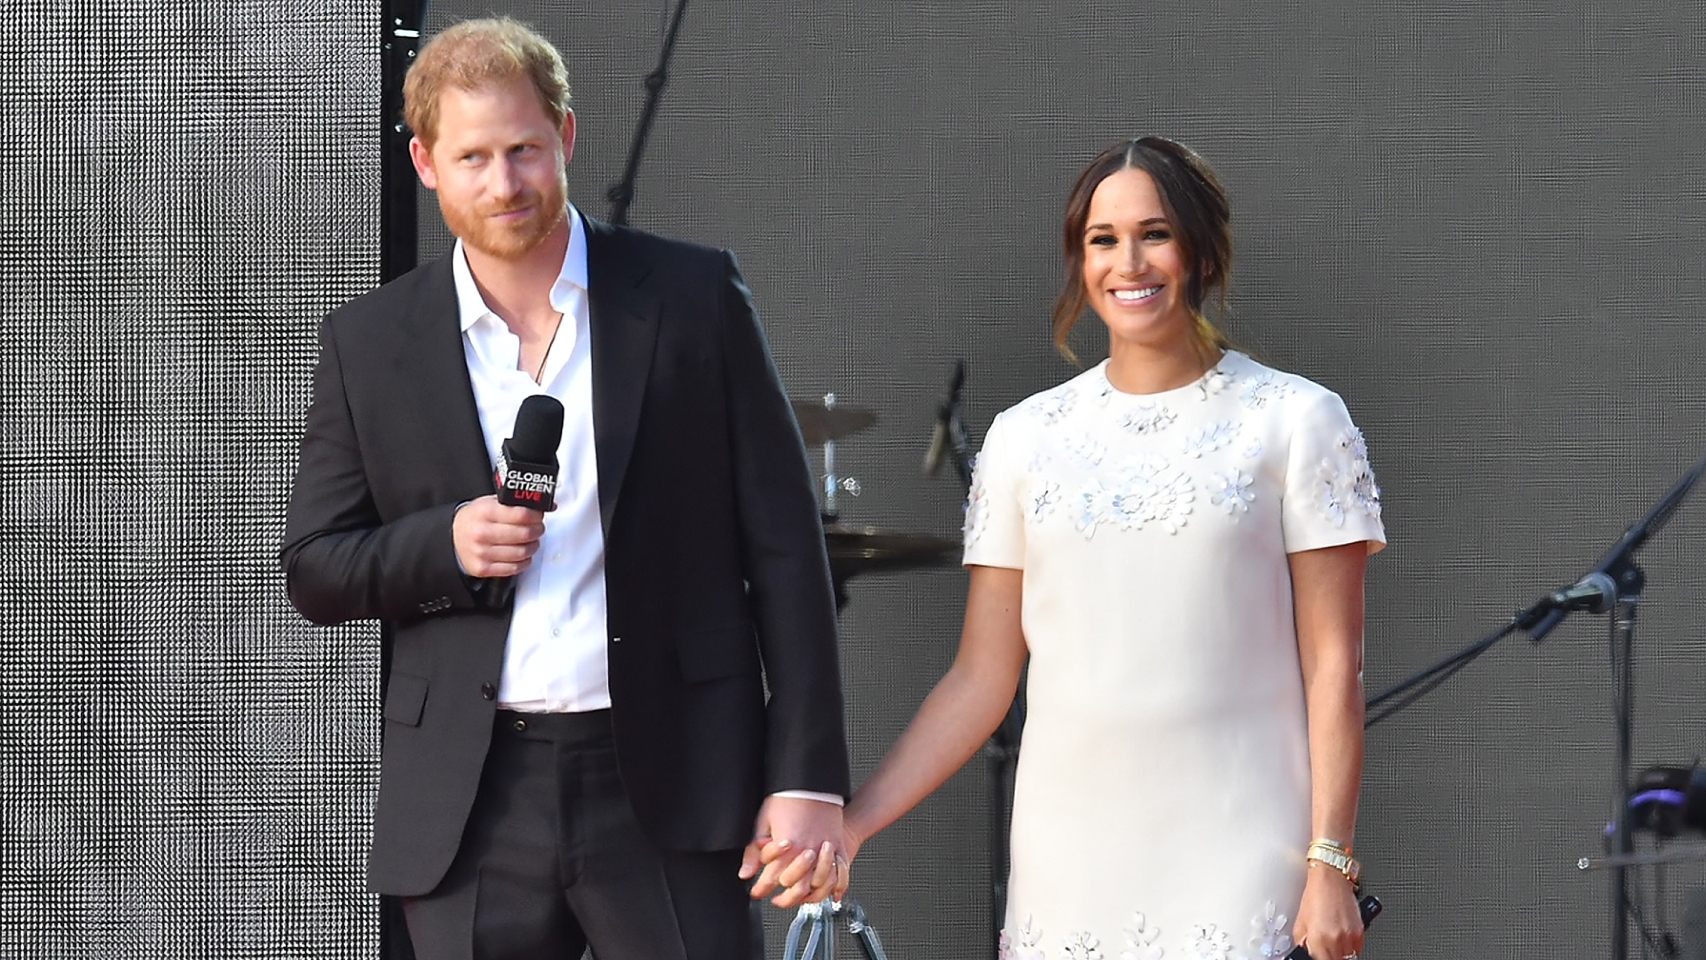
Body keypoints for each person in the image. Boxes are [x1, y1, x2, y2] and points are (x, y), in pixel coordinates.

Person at [280, 18, 849, 960]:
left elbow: (787, 549)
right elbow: (315, 565)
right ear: (425, 164)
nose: (503, 184)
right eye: (472, 157)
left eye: (524, 150)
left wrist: (807, 776)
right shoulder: (370, 342)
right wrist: (446, 544)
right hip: (472, 798)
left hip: (672, 774)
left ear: (567, 138)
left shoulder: (692, 295)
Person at [764, 137, 1386, 960]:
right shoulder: (1025, 438)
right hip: (1069, 864)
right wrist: (855, 824)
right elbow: (981, 678)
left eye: (1155, 233)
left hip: (1242, 849)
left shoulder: (1297, 421)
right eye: (1103, 240)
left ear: (1202, 250)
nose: (1129, 262)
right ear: (1080, 260)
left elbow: (1336, 666)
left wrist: (1330, 861)